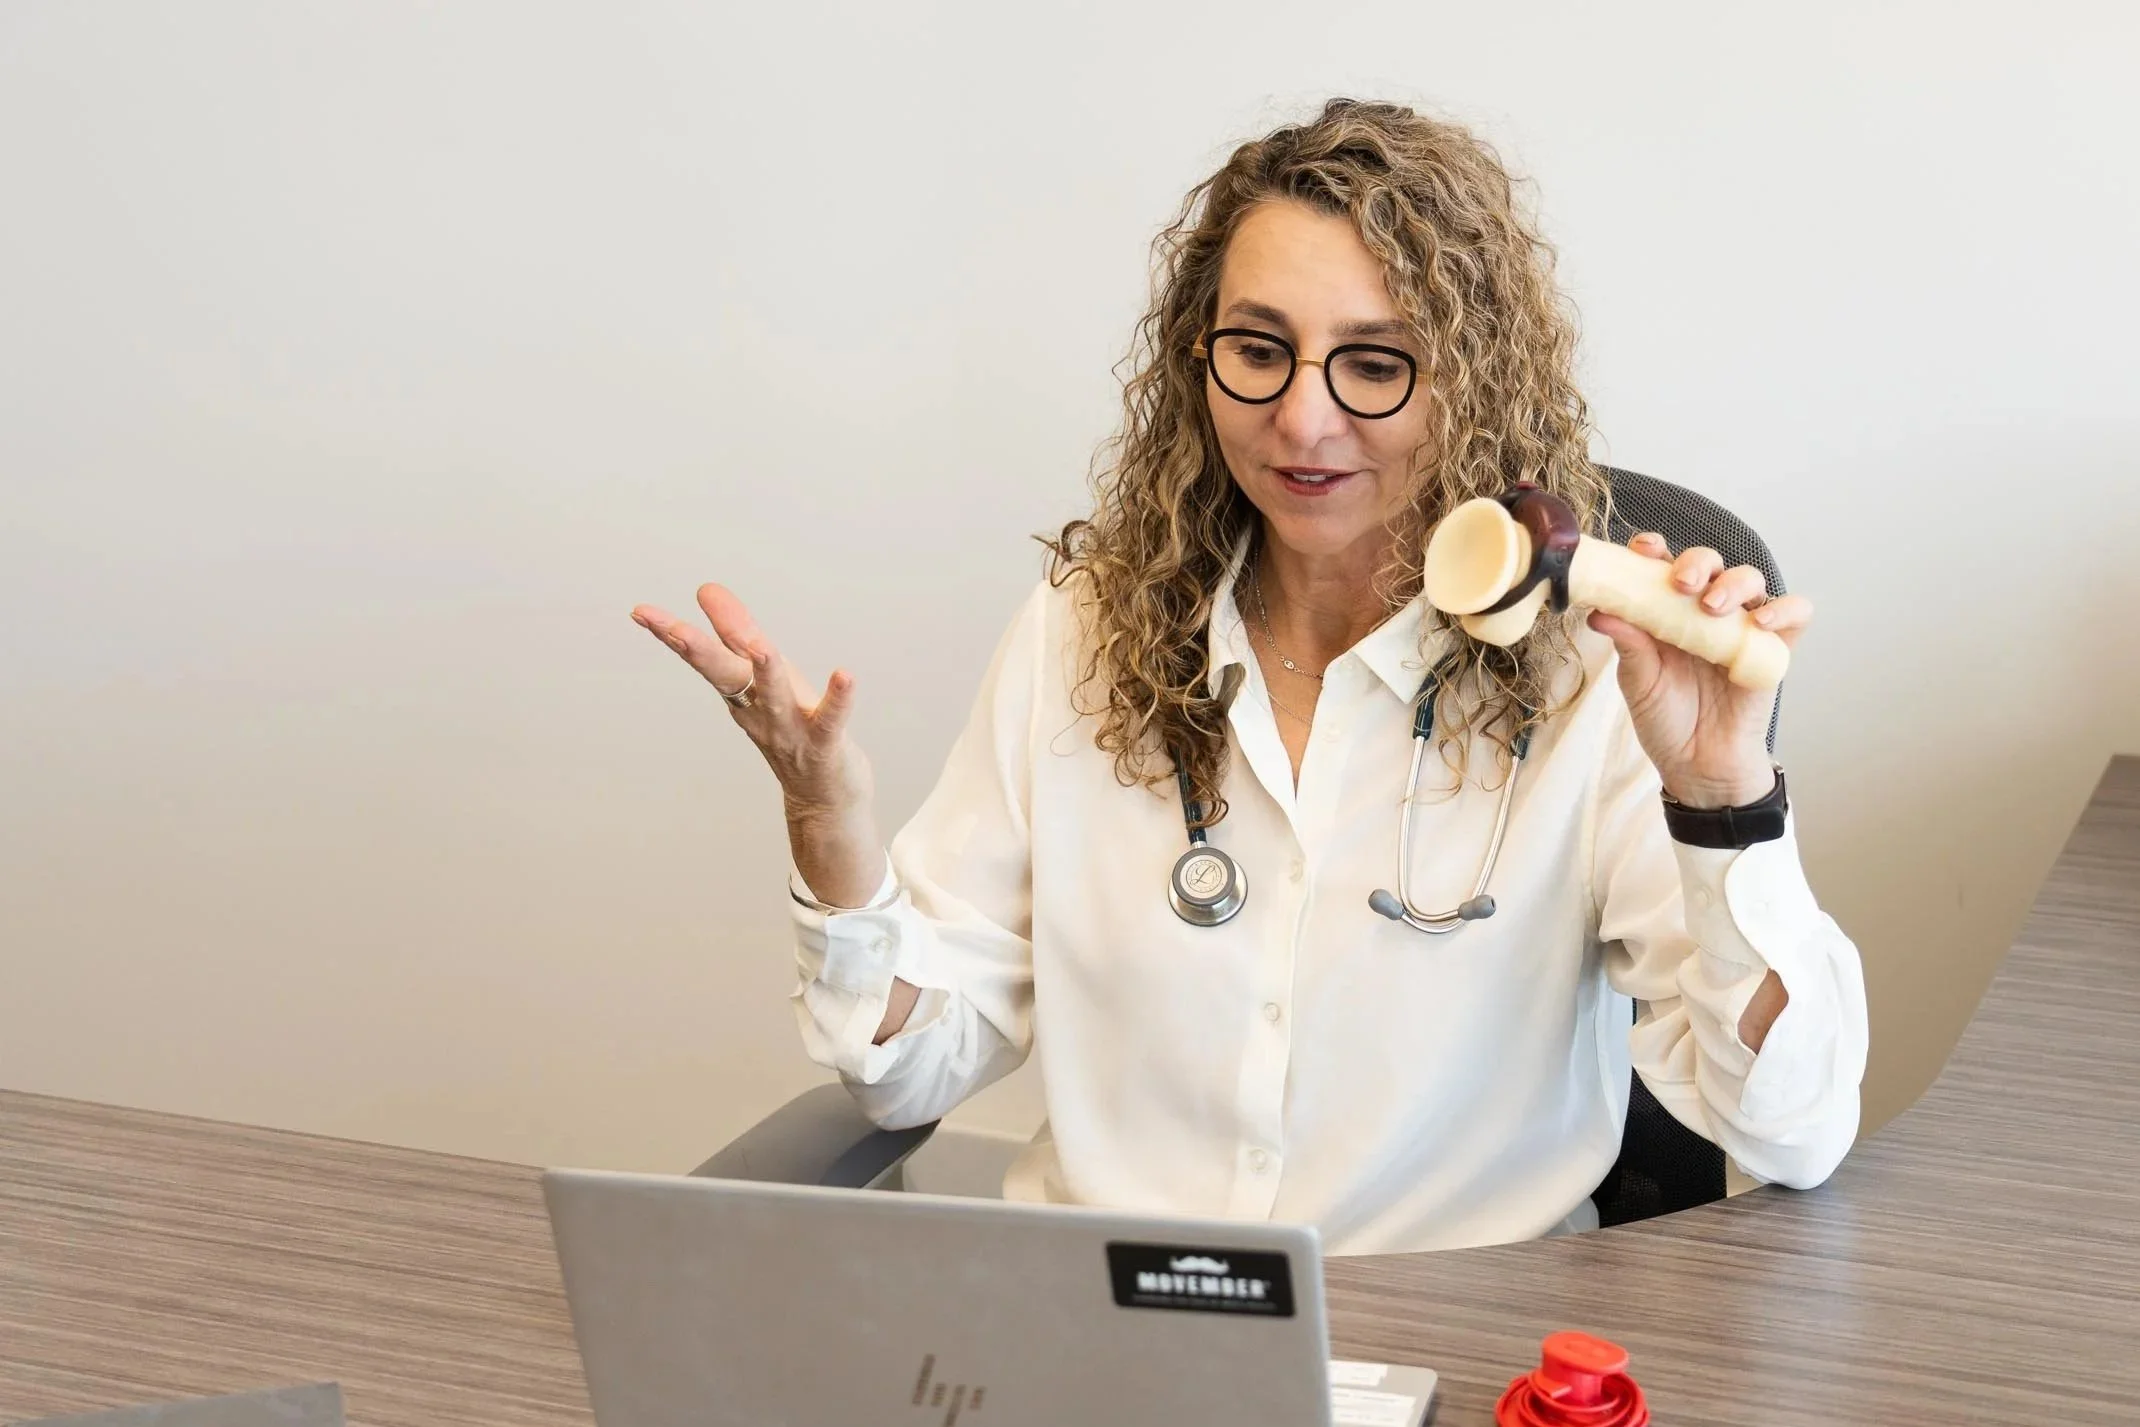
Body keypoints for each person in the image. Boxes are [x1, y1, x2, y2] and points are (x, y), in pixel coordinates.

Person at [631, 99, 1868, 1254]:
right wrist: (826, 825)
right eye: (1258, 349)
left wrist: (1721, 797)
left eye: (1375, 363)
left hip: (1445, 1341)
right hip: (1109, 1336)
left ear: (1471, 378)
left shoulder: (1593, 676)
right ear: (1197, 356)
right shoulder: (1084, 628)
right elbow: (908, 1068)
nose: (1302, 420)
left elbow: (1789, 1130)